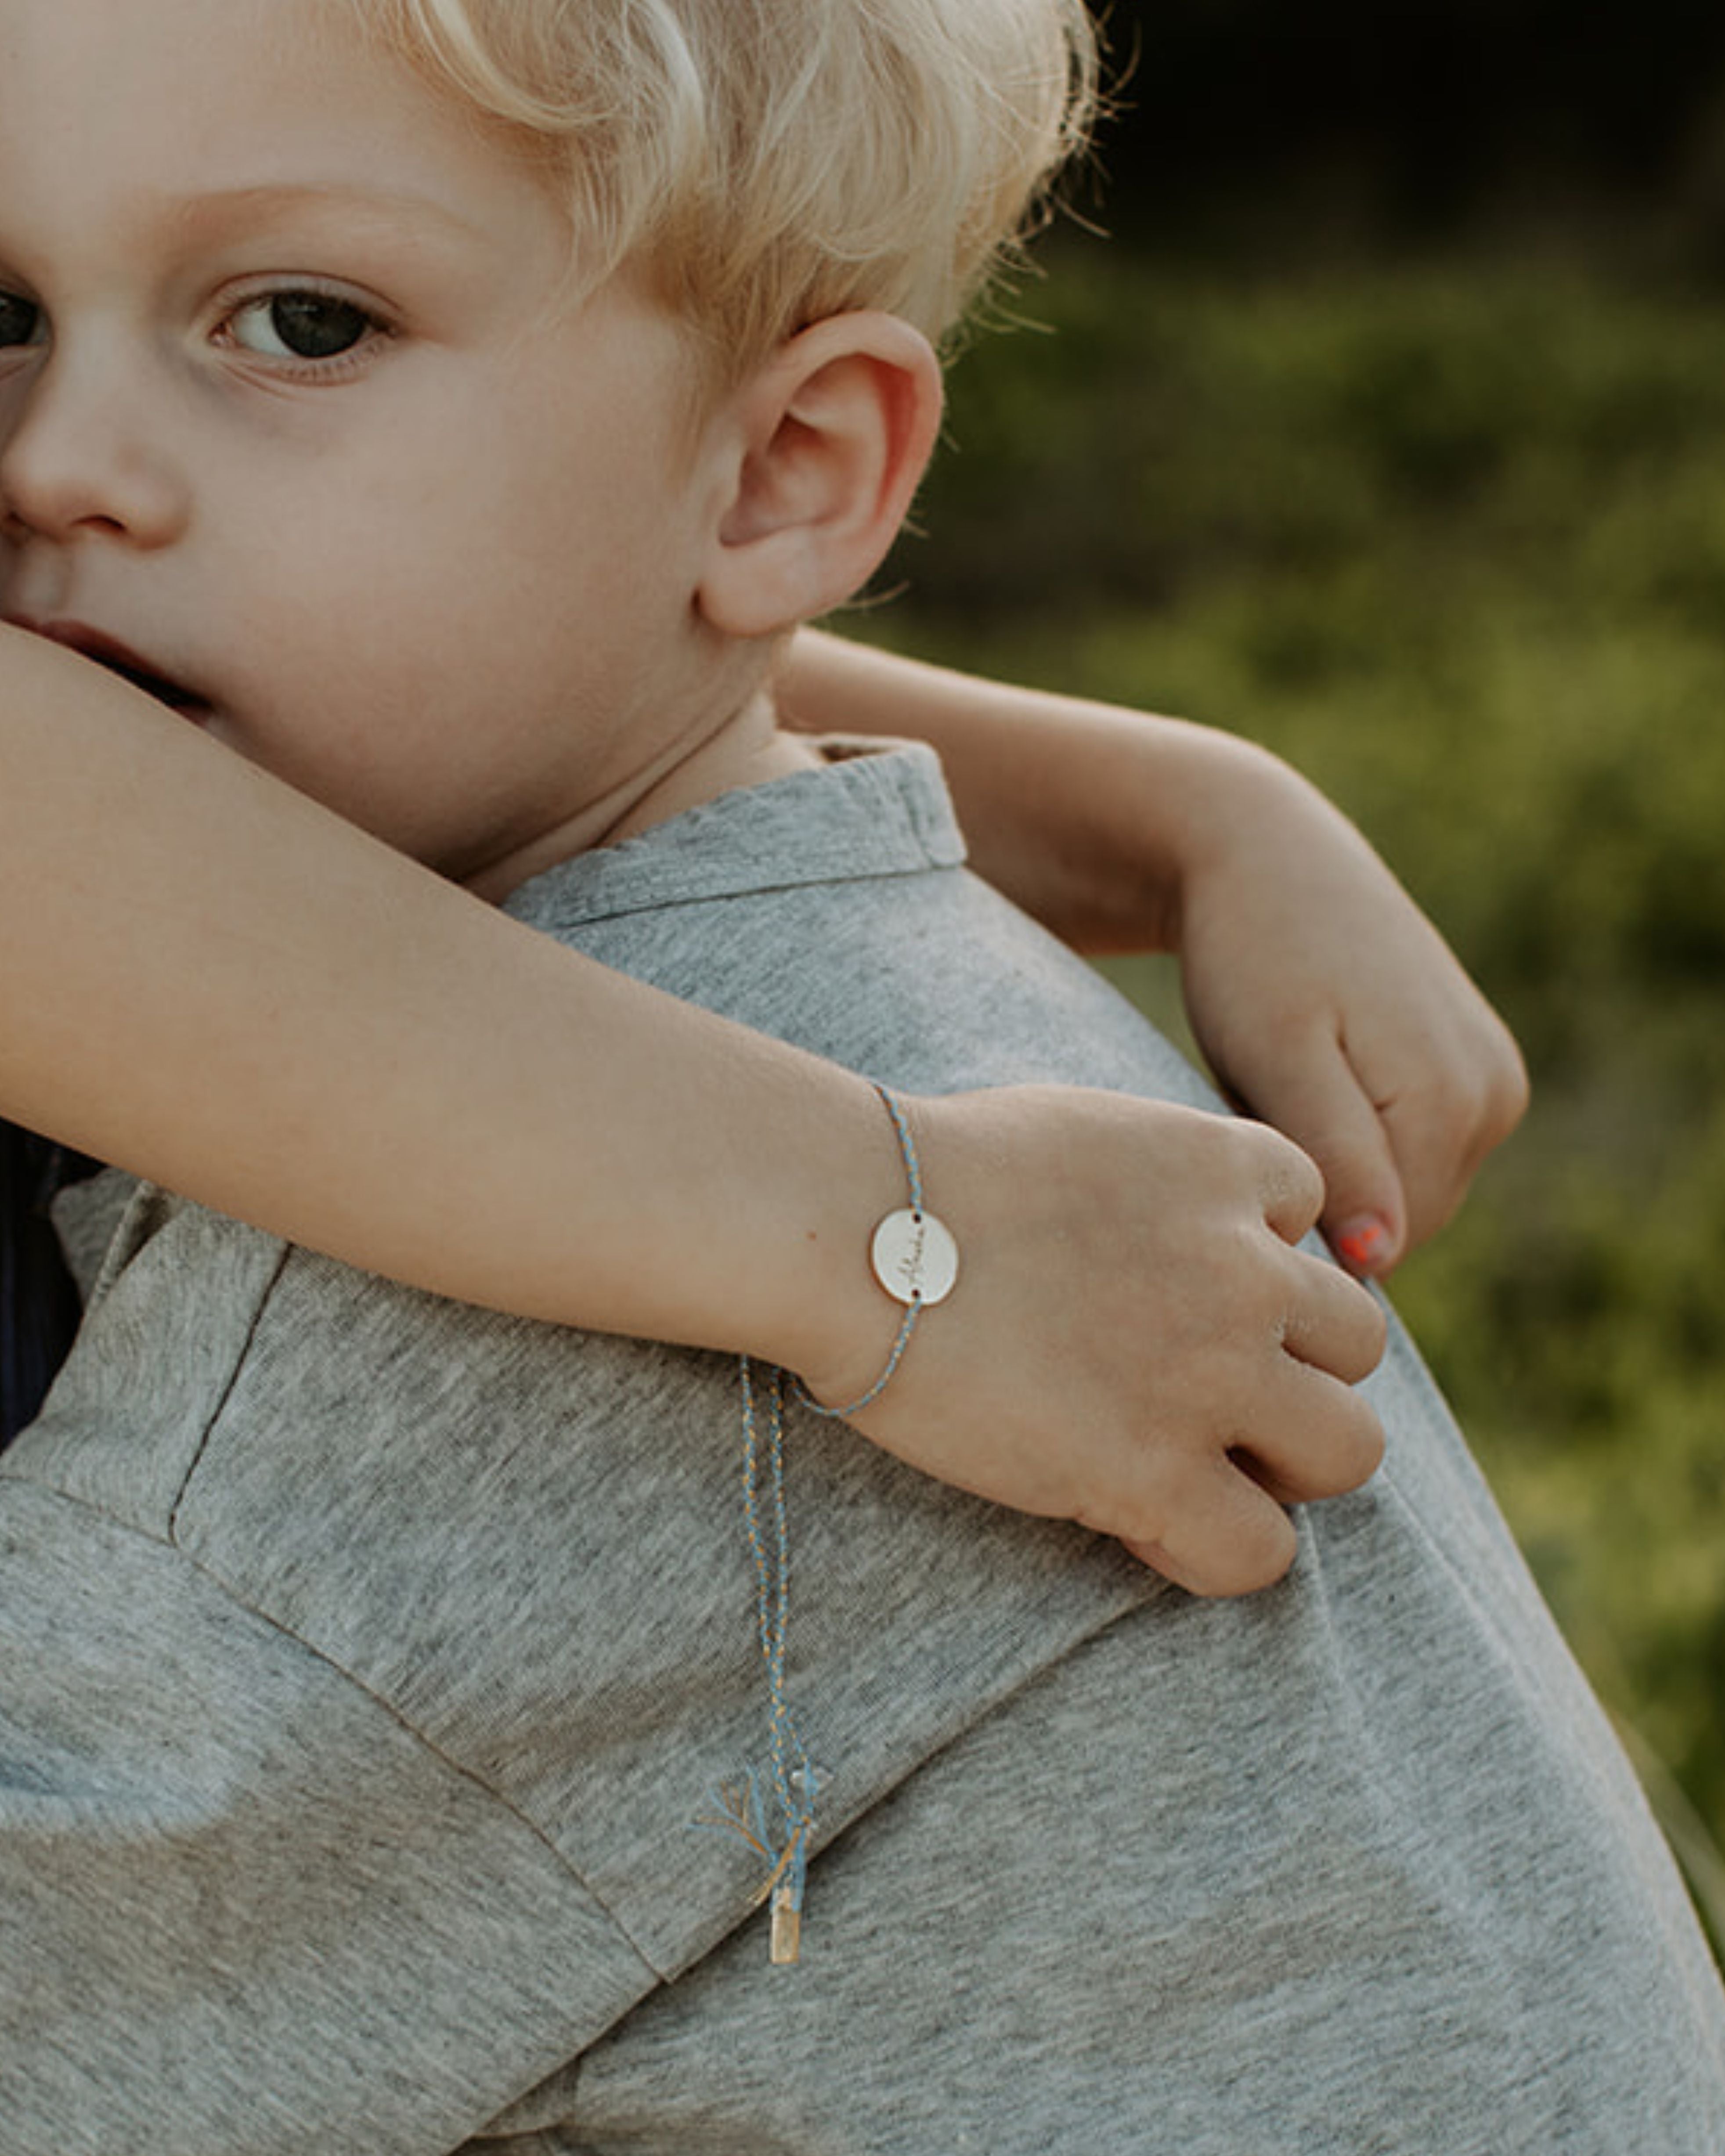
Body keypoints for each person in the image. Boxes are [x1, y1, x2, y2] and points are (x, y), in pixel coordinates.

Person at [1, 2, 1718, 2150]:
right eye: (4, 313)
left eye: (306, 321)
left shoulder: (480, 1298)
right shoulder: (824, 950)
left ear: (785, 469)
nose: (51, 462)